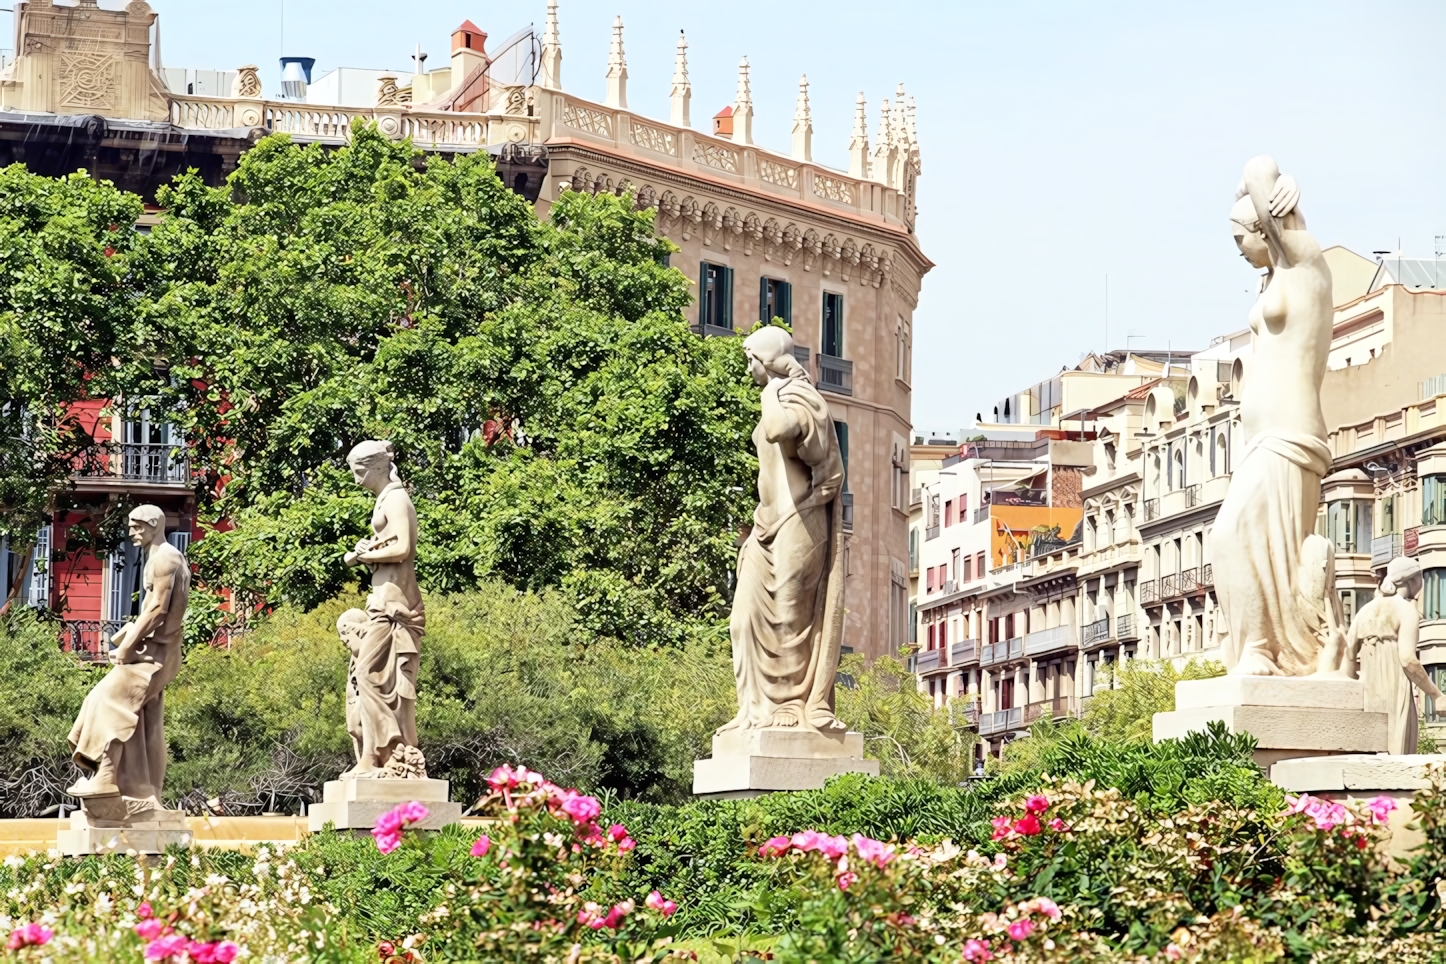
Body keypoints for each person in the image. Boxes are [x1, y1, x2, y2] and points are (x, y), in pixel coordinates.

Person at [1211, 156, 1337, 677]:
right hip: (1264, 439)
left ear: (1265, 227)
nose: (1237, 249)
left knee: (1230, 533)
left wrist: (1272, 183)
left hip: (1291, 433)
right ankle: (1263, 647)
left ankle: (1263, 648)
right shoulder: (1271, 280)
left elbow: (1259, 166)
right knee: (1253, 544)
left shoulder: (1306, 266)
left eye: (1240, 237)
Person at [718, 326, 847, 734]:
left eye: (751, 360)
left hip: (800, 522)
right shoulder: (780, 395)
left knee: (791, 619)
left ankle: (792, 707)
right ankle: (754, 710)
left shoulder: (799, 397)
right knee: (742, 620)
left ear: (766, 360)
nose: (748, 369)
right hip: (766, 525)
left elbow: (779, 431)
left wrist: (770, 391)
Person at [67, 505, 191, 808]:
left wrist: (126, 646)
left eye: (137, 527)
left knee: (107, 699)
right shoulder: (157, 557)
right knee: (147, 722)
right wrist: (130, 635)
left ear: (153, 524)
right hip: (151, 650)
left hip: (158, 655)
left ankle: (107, 776)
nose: (132, 533)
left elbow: (158, 609)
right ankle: (143, 791)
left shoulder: (166, 558)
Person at [338, 440, 427, 778]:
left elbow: (404, 547)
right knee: (370, 677)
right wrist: (364, 551)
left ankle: (385, 754)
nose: (355, 476)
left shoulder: (397, 499)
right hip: (381, 602)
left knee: (370, 676)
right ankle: (372, 759)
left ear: (376, 466)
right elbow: (388, 544)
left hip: (397, 607)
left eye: (358, 469)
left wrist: (363, 556)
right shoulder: (384, 500)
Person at [1349, 557, 1446, 754]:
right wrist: (1436, 695)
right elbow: (1408, 659)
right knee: (1397, 754)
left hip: (1367, 696)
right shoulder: (1405, 610)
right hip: (1394, 693)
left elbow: (1348, 656)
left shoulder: (1363, 611)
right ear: (1412, 580)